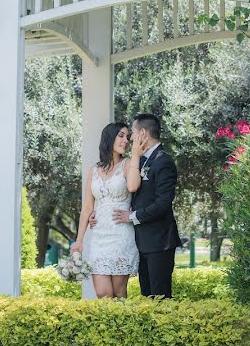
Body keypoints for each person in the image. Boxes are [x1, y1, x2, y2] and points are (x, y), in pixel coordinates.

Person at [111, 113, 182, 299]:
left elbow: (163, 203)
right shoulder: (138, 161)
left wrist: (132, 216)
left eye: (133, 133)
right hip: (141, 241)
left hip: (160, 241)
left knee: (160, 297)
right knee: (146, 296)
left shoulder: (164, 160)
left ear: (143, 134)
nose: (131, 138)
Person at [71, 122, 141, 298]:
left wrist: (135, 157)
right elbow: (87, 207)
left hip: (121, 234)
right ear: (109, 138)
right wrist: (79, 240)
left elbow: (133, 187)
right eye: (121, 135)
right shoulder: (93, 171)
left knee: (119, 293)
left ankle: (123, 326)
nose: (126, 140)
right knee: (103, 293)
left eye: (127, 136)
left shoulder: (128, 164)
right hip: (99, 236)